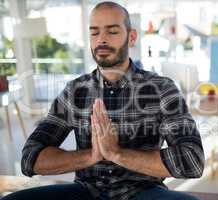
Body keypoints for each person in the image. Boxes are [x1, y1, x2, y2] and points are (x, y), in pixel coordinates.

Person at [2, 2, 204, 200]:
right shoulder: (75, 91)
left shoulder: (162, 89)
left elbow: (192, 161)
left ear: (131, 37)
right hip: (85, 191)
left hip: (142, 191)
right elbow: (31, 158)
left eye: (112, 31)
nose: (102, 40)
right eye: (94, 32)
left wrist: (117, 154)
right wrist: (92, 156)